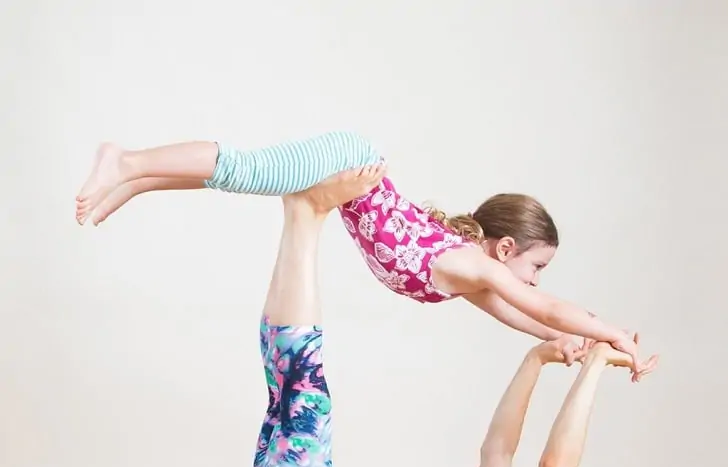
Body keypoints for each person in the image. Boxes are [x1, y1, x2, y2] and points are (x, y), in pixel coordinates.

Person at [229, 166, 658, 467]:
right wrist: (536, 360)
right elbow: (497, 452)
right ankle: (302, 215)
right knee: (288, 400)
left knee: (303, 401)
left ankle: (304, 214)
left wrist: (596, 363)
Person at [73, 131, 652, 377]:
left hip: (350, 166)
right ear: (505, 248)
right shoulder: (474, 264)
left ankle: (134, 179)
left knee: (243, 178)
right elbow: (546, 307)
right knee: (247, 170)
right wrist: (613, 331)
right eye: (536, 267)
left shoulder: (473, 279)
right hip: (348, 161)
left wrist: (573, 343)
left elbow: (526, 317)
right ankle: (125, 160)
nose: (534, 280)